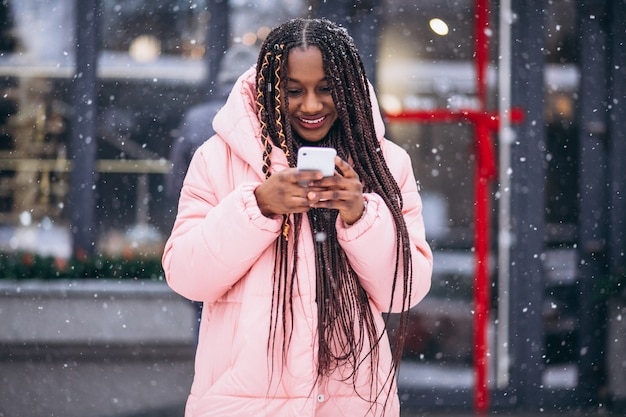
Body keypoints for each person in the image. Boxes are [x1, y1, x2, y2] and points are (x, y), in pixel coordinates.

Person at [162, 18, 433, 417]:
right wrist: (257, 206)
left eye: (326, 89)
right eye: (293, 90)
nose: (311, 105)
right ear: (271, 90)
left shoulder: (387, 164)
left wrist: (361, 216)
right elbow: (186, 275)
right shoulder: (217, 159)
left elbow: (404, 291)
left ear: (349, 88)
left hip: (352, 405)